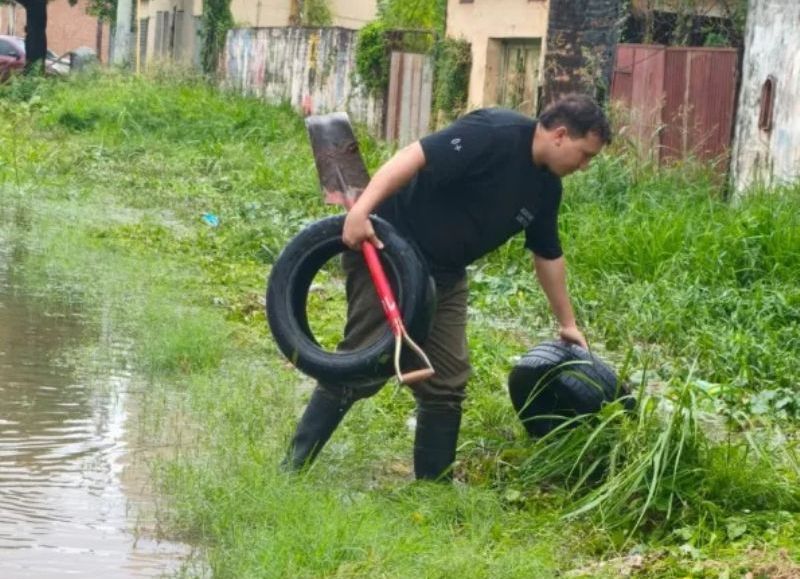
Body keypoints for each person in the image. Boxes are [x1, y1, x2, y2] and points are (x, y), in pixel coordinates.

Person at [284, 93, 612, 481]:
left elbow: (548, 256)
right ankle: (293, 468)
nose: (585, 166)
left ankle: (432, 488)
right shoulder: (493, 133)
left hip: (445, 276)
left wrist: (567, 322)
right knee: (362, 364)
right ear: (560, 135)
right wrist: (360, 211)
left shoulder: (545, 189)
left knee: (448, 381)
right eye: (585, 154)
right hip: (388, 253)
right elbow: (413, 156)